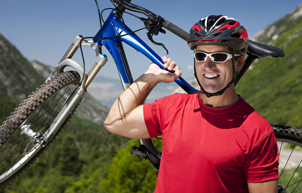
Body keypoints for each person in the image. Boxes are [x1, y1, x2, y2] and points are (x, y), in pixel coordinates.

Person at [104, 15, 279, 193]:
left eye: (219, 56)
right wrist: (150, 78)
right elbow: (114, 122)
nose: (208, 65)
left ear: (239, 62)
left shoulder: (257, 132)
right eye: (201, 56)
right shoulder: (173, 106)